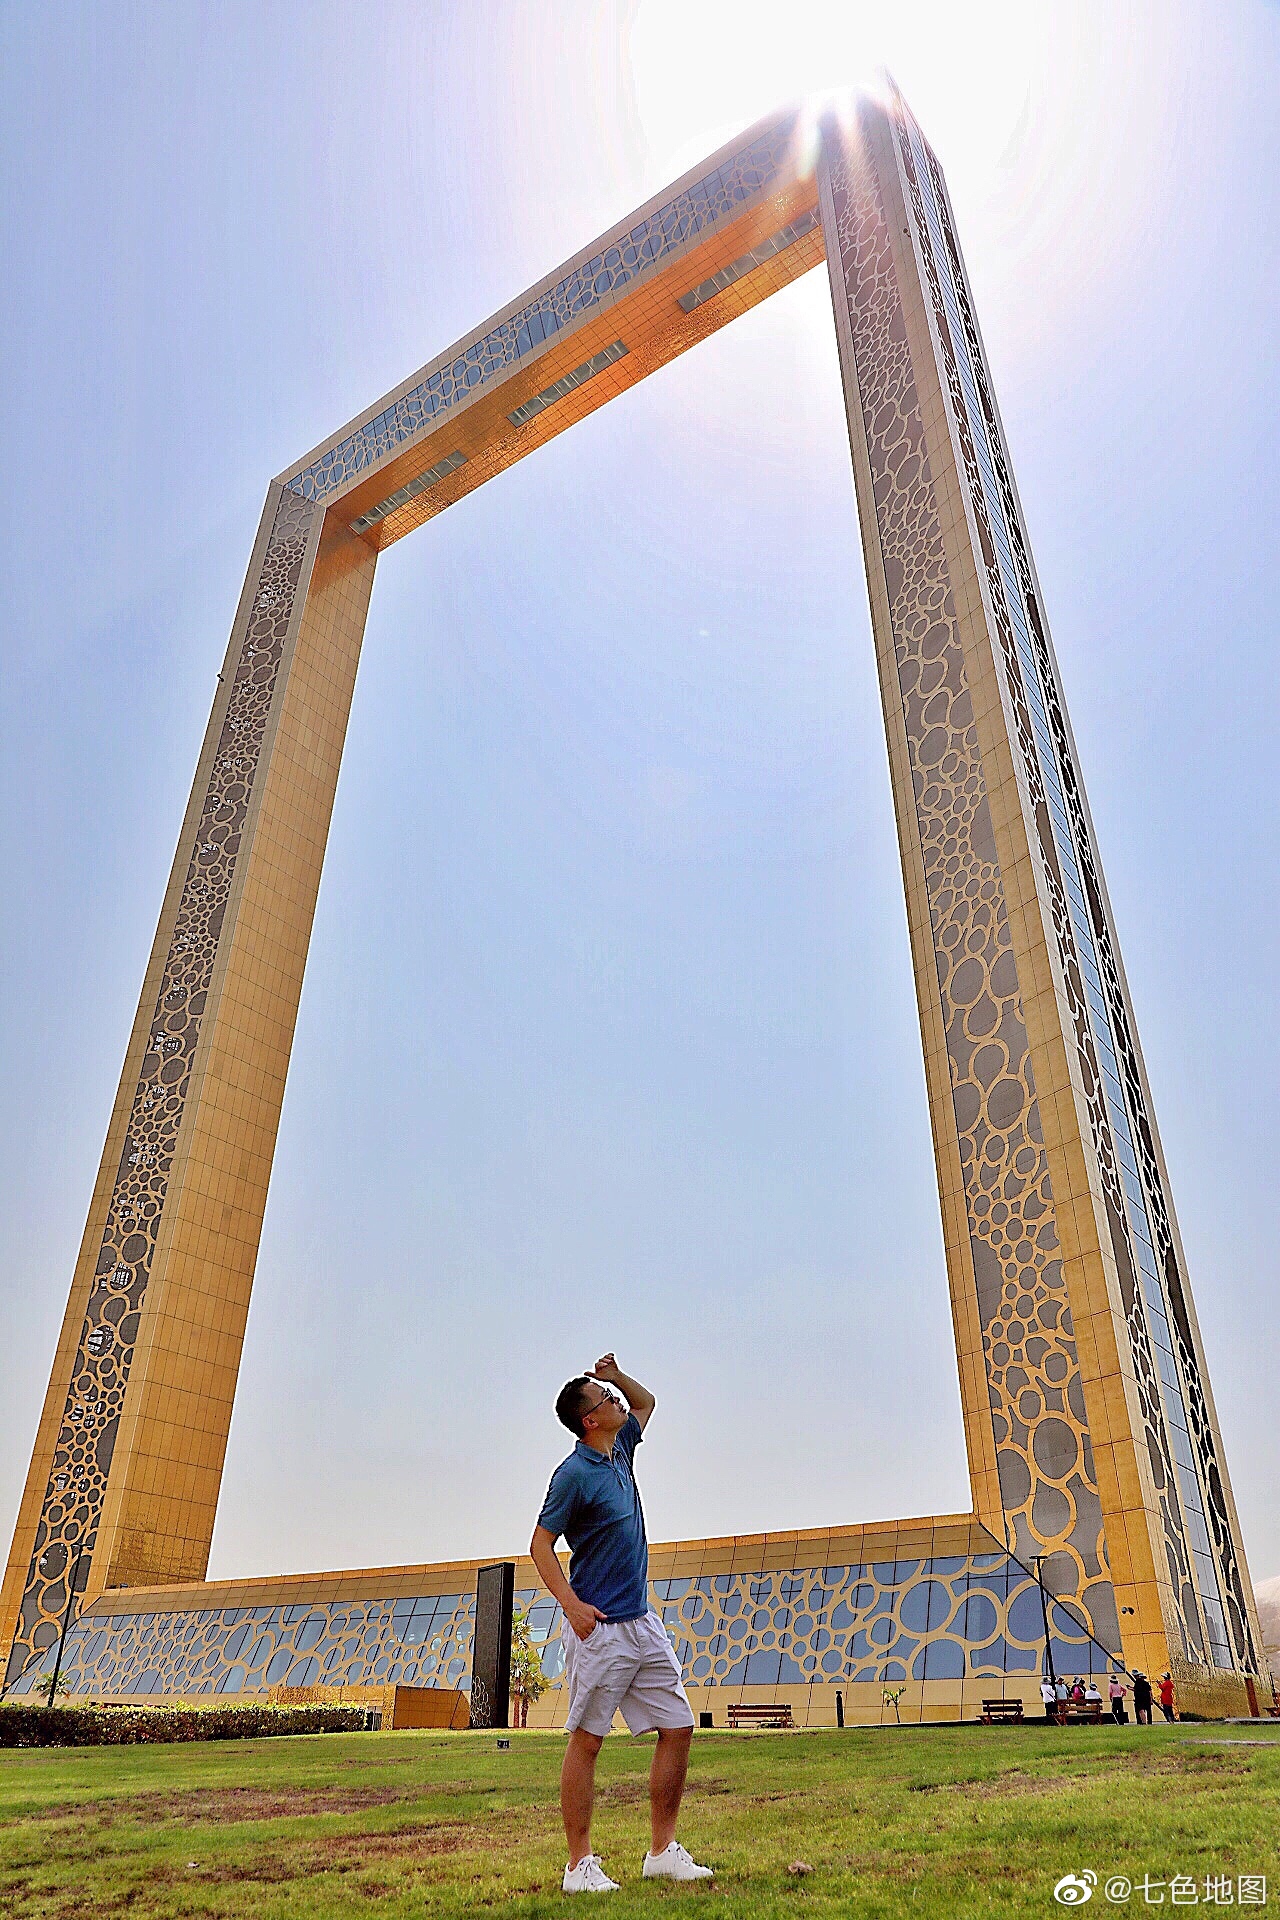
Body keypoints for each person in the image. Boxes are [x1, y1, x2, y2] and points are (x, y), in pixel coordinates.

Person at [531, 1354, 713, 1894]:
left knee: (678, 1728)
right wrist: (570, 1604)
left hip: (642, 1620)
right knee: (588, 1743)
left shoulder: (622, 1450)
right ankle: (578, 1866)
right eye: (603, 1399)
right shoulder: (572, 1475)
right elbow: (540, 1543)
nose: (613, 1402)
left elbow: (645, 1403)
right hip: (600, 1628)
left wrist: (615, 1377)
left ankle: (661, 1851)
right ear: (589, 1421)